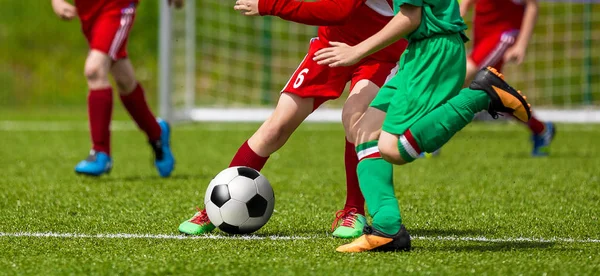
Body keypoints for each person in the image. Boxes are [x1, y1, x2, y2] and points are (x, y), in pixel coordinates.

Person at [178, 0, 408, 239]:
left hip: (379, 53)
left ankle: (353, 211)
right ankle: (214, 209)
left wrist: (270, 5)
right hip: (331, 46)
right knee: (275, 128)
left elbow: (340, 10)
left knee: (355, 117)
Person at [314, 0, 532, 252]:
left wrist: (357, 51)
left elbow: (410, 17)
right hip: (418, 50)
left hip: (434, 50)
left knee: (392, 149)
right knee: (364, 132)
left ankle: (481, 95)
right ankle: (387, 229)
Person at [50, 0, 181, 176]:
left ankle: (100, 153)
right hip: (88, 9)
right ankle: (156, 132)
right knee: (124, 79)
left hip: (117, 5)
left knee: (94, 69)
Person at [461, 0, 555, 156]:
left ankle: (429, 135)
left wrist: (521, 45)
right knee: (493, 93)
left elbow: (532, 6)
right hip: (482, 33)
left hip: (502, 34)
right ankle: (541, 129)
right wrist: (461, 10)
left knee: (463, 76)